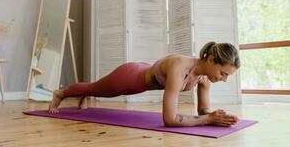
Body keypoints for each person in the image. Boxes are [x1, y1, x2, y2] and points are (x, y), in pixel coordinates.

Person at [49, 41, 240, 127]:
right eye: (223, 74)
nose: (224, 79)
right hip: (129, 76)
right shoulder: (180, 67)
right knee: (94, 88)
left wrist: (217, 117)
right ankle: (60, 93)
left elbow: (203, 112)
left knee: (96, 88)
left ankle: (84, 94)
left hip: (143, 77)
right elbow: (169, 119)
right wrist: (208, 120)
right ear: (211, 59)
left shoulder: (205, 77)